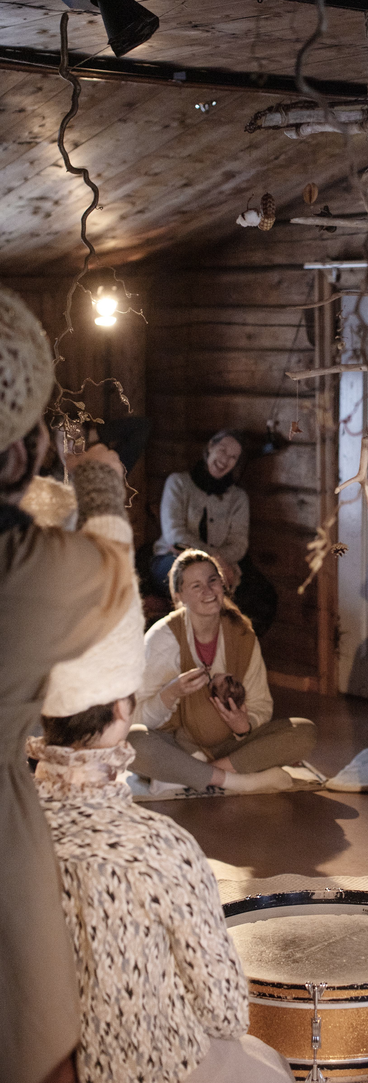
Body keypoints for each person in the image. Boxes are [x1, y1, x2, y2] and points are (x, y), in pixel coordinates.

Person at [0, 286, 136, 1083]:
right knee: (30, 1028)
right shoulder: (24, 573)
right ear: (20, 457)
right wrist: (101, 484)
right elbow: (108, 576)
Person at [27, 678, 293, 1083]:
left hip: (28, 1060)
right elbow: (225, 1013)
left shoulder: (13, 831)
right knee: (271, 1067)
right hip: (148, 1067)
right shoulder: (161, 845)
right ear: (123, 709)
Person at [131, 549, 316, 794]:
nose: (208, 591)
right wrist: (170, 693)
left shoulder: (242, 634)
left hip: (229, 747)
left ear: (223, 584)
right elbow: (137, 719)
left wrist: (245, 726)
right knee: (133, 742)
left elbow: (260, 704)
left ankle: (192, 774)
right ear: (179, 595)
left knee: (304, 732)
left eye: (213, 581)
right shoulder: (162, 638)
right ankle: (240, 781)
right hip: (177, 746)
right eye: (196, 586)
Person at [150, 429, 277, 636]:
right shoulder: (178, 483)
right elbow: (175, 535)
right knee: (200, 588)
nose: (225, 459)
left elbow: (239, 544)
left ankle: (237, 650)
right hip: (172, 558)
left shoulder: (238, 498)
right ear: (210, 447)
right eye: (223, 450)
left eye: (233, 457)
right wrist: (213, 560)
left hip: (222, 564)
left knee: (261, 597)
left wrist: (219, 563)